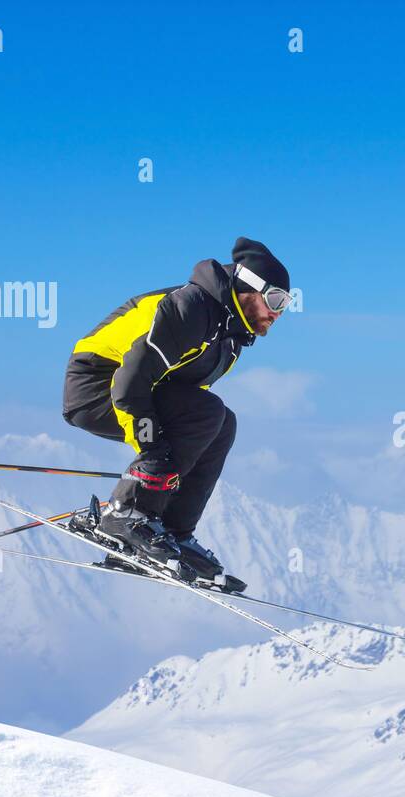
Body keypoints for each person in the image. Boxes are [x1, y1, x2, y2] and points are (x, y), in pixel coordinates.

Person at [60, 236, 291, 580]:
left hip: (139, 390)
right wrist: (152, 453)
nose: (279, 311)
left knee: (222, 422)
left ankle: (172, 530)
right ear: (247, 287)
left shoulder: (229, 340)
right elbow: (129, 381)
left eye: (287, 303)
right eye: (275, 298)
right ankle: (127, 514)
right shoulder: (192, 309)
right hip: (96, 382)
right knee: (208, 413)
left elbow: (185, 409)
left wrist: (165, 462)